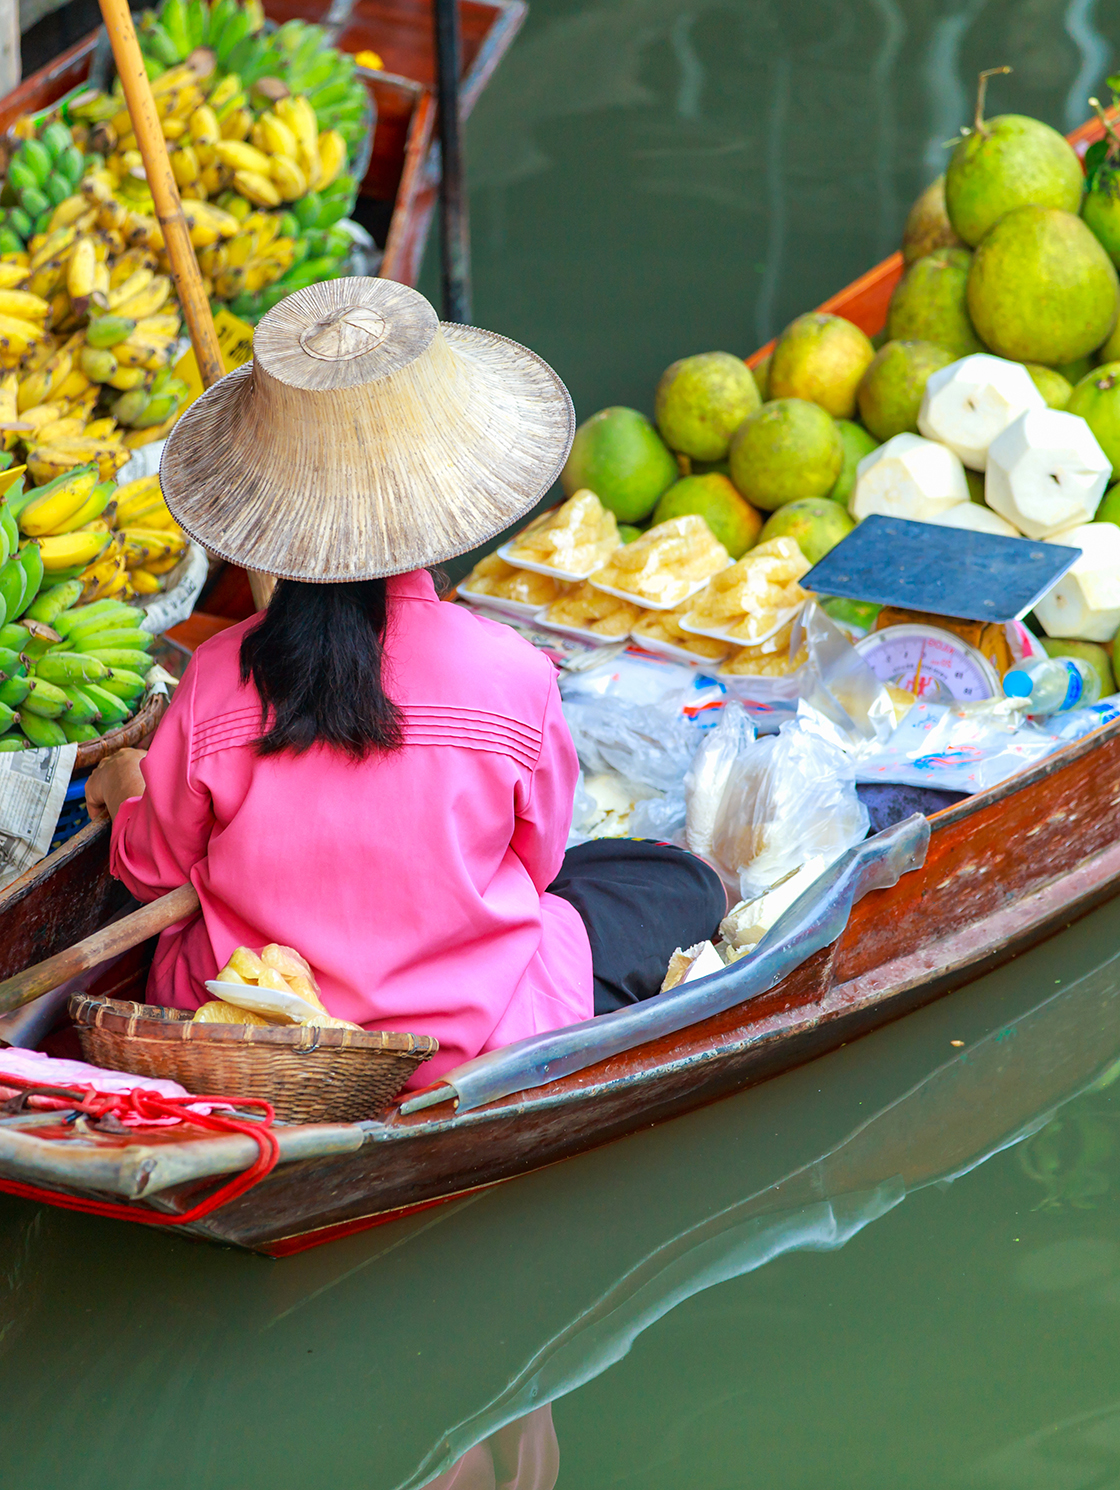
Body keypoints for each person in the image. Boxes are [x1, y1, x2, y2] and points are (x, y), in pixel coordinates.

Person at [86, 278, 726, 1085]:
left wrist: (133, 793)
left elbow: (152, 873)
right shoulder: (514, 674)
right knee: (673, 881)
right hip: (457, 1045)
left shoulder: (214, 677)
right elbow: (537, 862)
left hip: (250, 1040)